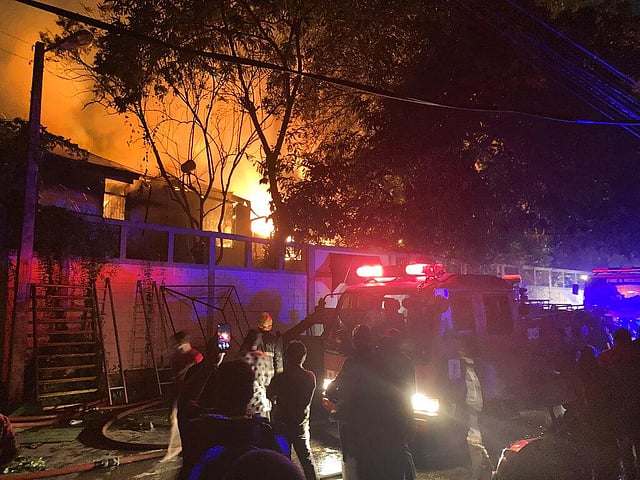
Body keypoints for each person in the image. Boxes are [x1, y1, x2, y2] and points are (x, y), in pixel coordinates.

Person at [325, 324, 382, 480]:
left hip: (353, 417)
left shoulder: (352, 362)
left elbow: (336, 385)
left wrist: (330, 392)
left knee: (352, 456)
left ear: (355, 340)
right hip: (374, 416)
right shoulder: (378, 360)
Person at [267, 340, 319, 480]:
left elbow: (269, 394)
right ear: (304, 356)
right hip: (300, 424)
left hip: (281, 423)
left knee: (284, 461)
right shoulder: (310, 376)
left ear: (287, 356)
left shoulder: (280, 378)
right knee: (307, 460)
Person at [576, 345, 623, 480]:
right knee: (610, 446)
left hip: (590, 418)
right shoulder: (604, 373)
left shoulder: (579, 377)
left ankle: (600, 474)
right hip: (606, 416)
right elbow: (616, 394)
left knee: (595, 449)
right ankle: (613, 472)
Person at [598, 328, 640, 480]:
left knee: (624, 443)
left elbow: (601, 386)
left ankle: (630, 474)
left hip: (618, 408)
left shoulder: (605, 357)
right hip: (635, 405)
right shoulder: (635, 354)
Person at [377, 328, 417, 480]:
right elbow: (411, 391)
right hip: (400, 413)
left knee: (396, 452)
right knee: (401, 450)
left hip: (391, 415)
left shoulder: (382, 362)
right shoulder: (407, 362)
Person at [164, 330, 203, 461]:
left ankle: (183, 446)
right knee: (172, 417)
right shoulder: (177, 357)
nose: (176, 348)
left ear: (185, 343)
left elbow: (198, 377)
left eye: (178, 345)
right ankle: (178, 445)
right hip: (177, 391)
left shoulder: (196, 357)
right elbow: (176, 374)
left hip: (190, 393)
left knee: (188, 419)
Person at [238, 329, 273, 418]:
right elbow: (268, 381)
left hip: (245, 404)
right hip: (261, 403)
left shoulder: (241, 357)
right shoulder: (263, 357)